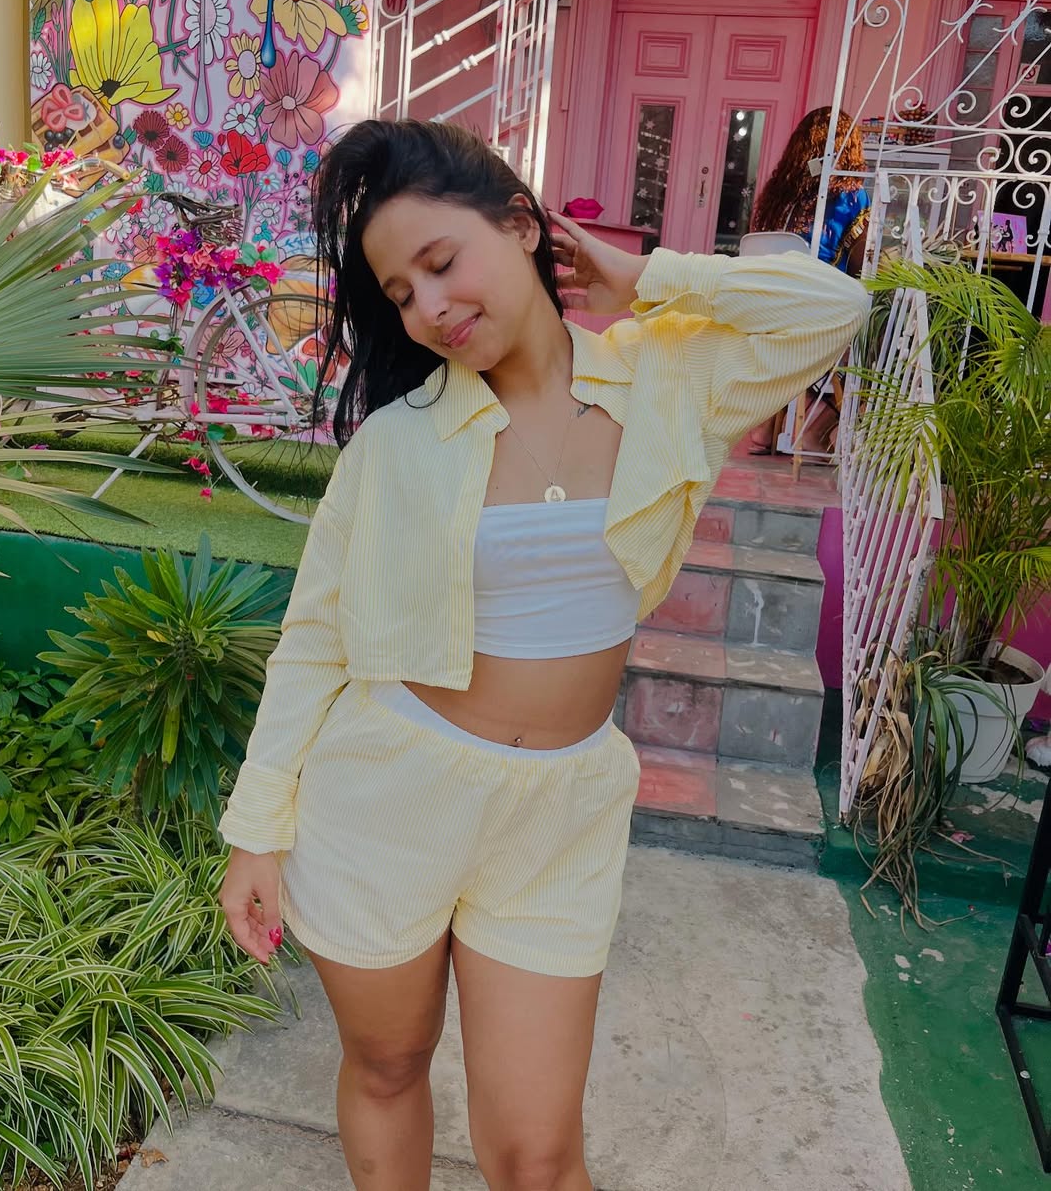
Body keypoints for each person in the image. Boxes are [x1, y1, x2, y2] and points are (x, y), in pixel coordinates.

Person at [217, 119, 868, 1191]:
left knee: (539, 1157)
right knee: (387, 1065)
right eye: (401, 293)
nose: (429, 307)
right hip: (389, 798)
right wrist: (257, 832)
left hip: (561, 813)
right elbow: (316, 638)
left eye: (442, 262)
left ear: (522, 226)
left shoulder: (666, 379)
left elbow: (832, 308)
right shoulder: (398, 443)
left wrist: (645, 276)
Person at [746, 107, 870, 455]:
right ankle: (817, 430)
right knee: (873, 338)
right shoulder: (852, 195)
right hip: (816, 312)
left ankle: (765, 425)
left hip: (765, 310)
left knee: (797, 334)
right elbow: (861, 263)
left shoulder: (779, 193)